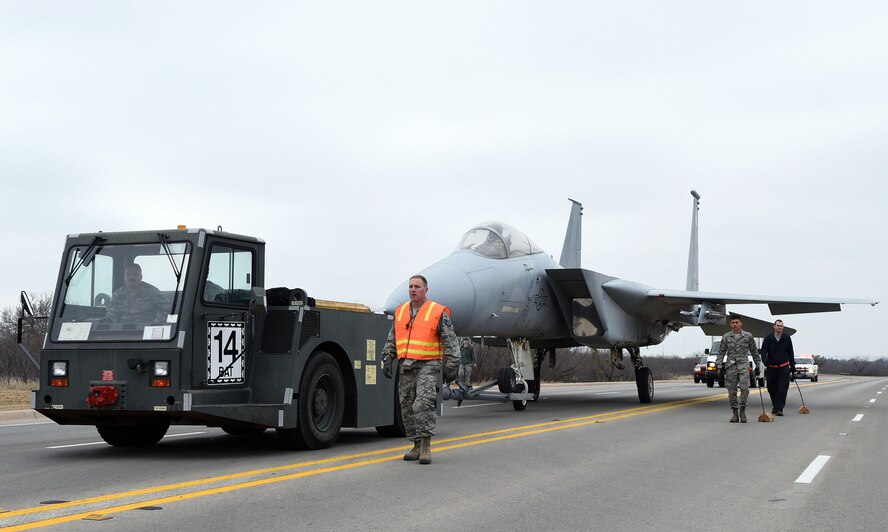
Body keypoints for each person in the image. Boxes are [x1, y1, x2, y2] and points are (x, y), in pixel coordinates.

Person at [381, 274, 459, 464]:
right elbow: (393, 339)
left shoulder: (437, 311)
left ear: (425, 290)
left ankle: (426, 447)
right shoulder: (400, 313)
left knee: (422, 404)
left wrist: (451, 366)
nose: (413, 290)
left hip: (428, 365)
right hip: (406, 366)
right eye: (410, 286)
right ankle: (415, 445)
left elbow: (450, 341)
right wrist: (387, 358)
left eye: (417, 286)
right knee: (407, 406)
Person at [718, 316, 763, 423]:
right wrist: (719, 366)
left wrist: (758, 365)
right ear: (730, 324)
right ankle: (735, 414)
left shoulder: (748, 336)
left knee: (744, 389)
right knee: (731, 391)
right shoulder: (726, 337)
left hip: (743, 366)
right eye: (733, 322)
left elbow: (754, 352)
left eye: (737, 322)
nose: (735, 324)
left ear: (741, 324)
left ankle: (742, 412)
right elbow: (721, 352)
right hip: (731, 367)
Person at [759, 319, 795, 416]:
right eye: (778, 325)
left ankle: (779, 408)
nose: (779, 327)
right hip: (771, 368)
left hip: (783, 368)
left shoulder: (787, 338)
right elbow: (763, 351)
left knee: (782, 389)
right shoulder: (768, 338)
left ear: (783, 327)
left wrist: (793, 367)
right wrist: (765, 361)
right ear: (774, 326)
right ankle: (775, 405)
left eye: (781, 326)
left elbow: (791, 353)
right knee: (771, 388)